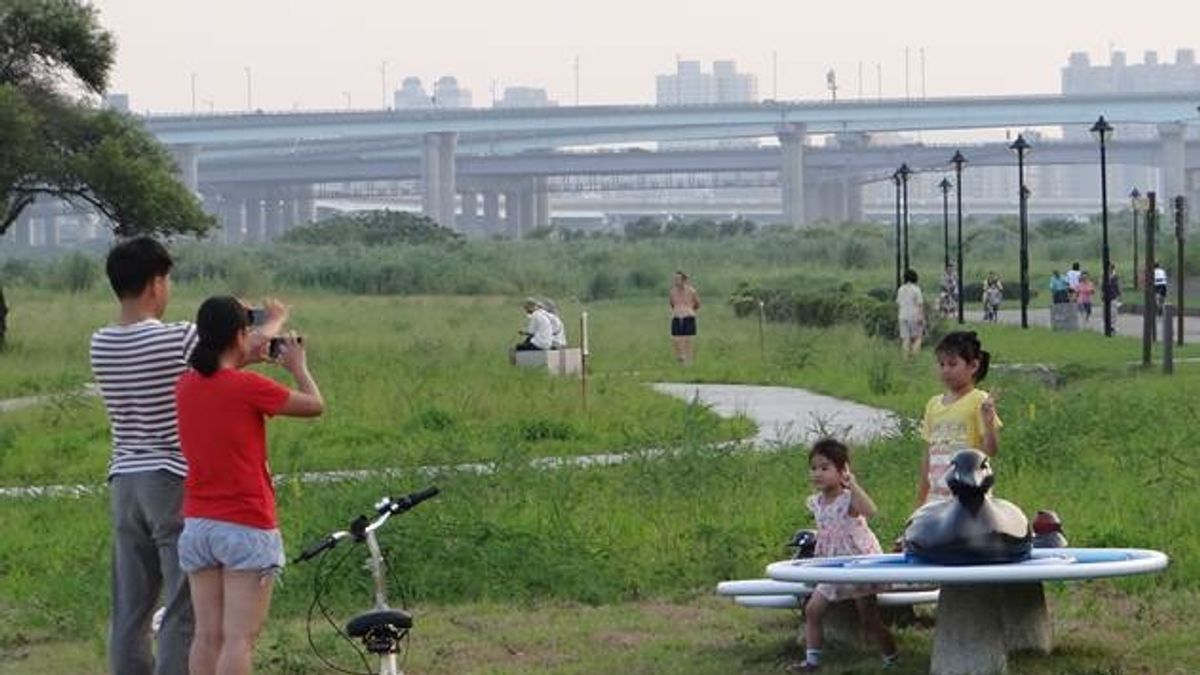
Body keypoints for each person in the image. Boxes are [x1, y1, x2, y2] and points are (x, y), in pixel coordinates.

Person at [175, 296, 324, 675]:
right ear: (240, 335)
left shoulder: (186, 385)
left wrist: (259, 338)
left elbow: (223, 370)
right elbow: (314, 405)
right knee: (240, 639)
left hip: (198, 524)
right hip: (245, 523)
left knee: (207, 636)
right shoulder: (248, 386)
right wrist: (298, 367)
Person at [91, 237, 205, 675]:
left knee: (130, 607)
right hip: (169, 476)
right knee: (180, 604)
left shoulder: (101, 343)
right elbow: (226, 361)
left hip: (124, 480)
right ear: (156, 283)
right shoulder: (180, 338)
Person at [791, 439, 898, 672]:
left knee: (868, 617)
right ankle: (812, 661)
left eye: (825, 468)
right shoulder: (816, 502)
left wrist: (853, 485)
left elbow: (870, 510)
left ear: (842, 471)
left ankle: (890, 655)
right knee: (813, 610)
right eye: (814, 468)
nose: (817, 473)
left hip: (858, 565)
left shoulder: (848, 499)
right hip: (831, 566)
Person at [916, 331, 1001, 507]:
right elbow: (928, 456)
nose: (946, 370)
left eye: (952, 364)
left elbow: (990, 451)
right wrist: (921, 500)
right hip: (937, 498)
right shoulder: (933, 405)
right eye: (942, 364)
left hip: (969, 497)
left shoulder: (979, 401)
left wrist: (988, 423)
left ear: (973, 366)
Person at [669, 271, 701, 364]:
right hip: (676, 316)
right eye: (675, 279)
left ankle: (689, 360)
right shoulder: (672, 292)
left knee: (688, 339)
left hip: (688, 316)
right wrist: (678, 310)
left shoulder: (691, 291)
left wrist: (689, 309)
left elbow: (697, 303)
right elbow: (672, 304)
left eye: (678, 279)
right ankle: (681, 357)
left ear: (684, 280)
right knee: (676, 338)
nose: (676, 281)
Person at [895, 269, 924, 359]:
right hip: (915, 316)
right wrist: (921, 317)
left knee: (905, 339)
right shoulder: (916, 289)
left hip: (902, 316)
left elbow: (898, 303)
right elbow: (920, 304)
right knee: (918, 338)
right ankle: (914, 356)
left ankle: (905, 359)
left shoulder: (900, 289)